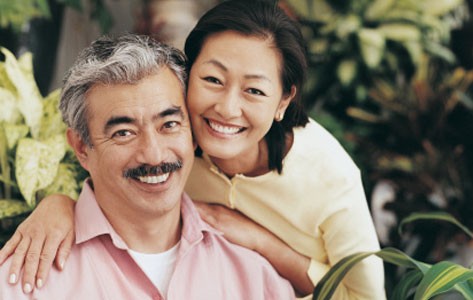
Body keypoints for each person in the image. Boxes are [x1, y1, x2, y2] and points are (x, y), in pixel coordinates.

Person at [0, 0, 386, 299]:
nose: (227, 108)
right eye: (213, 79)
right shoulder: (30, 277)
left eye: (254, 89)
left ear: (284, 100)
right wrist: (57, 204)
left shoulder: (328, 180)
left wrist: (258, 240)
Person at [0, 33, 295, 299]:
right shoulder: (22, 283)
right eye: (123, 133)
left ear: (192, 132)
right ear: (81, 147)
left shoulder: (253, 275)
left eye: (169, 124)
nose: (154, 155)